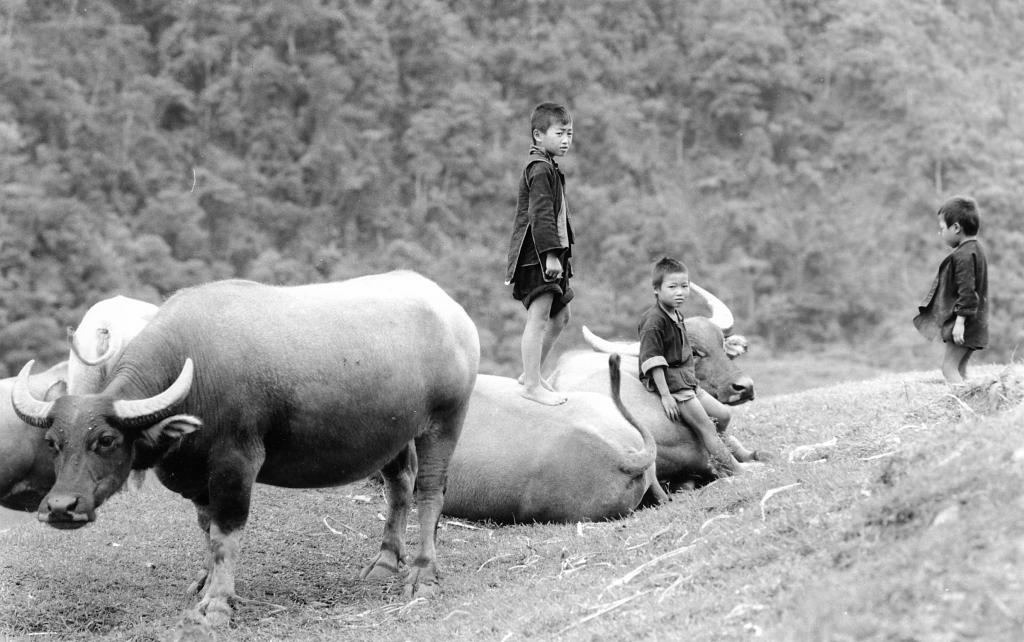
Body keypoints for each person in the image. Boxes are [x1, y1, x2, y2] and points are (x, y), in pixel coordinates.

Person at [637, 257, 743, 475]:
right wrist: (666, 395)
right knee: (707, 429)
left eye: (684, 286)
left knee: (723, 415)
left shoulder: (676, 314)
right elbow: (654, 361)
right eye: (672, 287)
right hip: (675, 387)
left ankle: (716, 452)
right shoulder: (653, 322)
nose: (680, 292)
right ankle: (735, 470)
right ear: (656, 289)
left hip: (689, 382)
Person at [505, 102, 575, 405]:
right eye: (559, 133)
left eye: (569, 133)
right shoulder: (540, 169)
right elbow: (541, 215)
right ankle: (531, 385)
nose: (566, 139)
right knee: (540, 316)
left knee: (560, 316)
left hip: (551, 256)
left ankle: (530, 374)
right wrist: (550, 256)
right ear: (538, 135)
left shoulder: (549, 166)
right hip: (538, 257)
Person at [913, 195, 989, 385]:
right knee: (960, 369)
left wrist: (960, 322)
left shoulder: (963, 256)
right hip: (977, 321)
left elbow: (967, 291)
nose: (940, 234)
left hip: (967, 323)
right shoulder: (977, 249)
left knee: (949, 368)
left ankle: (961, 406)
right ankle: (970, 406)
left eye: (942, 229)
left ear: (956, 228)